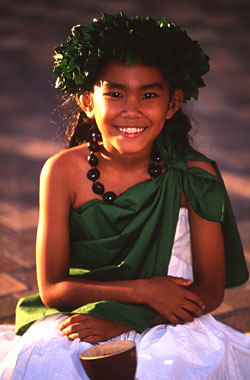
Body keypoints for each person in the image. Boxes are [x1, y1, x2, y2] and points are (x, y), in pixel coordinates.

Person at [0, 12, 250, 380]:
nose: (131, 110)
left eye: (148, 94)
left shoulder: (194, 176)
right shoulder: (62, 171)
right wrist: (142, 291)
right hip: (85, 311)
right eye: (115, 93)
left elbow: (210, 291)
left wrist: (130, 320)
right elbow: (53, 289)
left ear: (172, 103)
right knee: (53, 362)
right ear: (88, 101)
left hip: (170, 316)